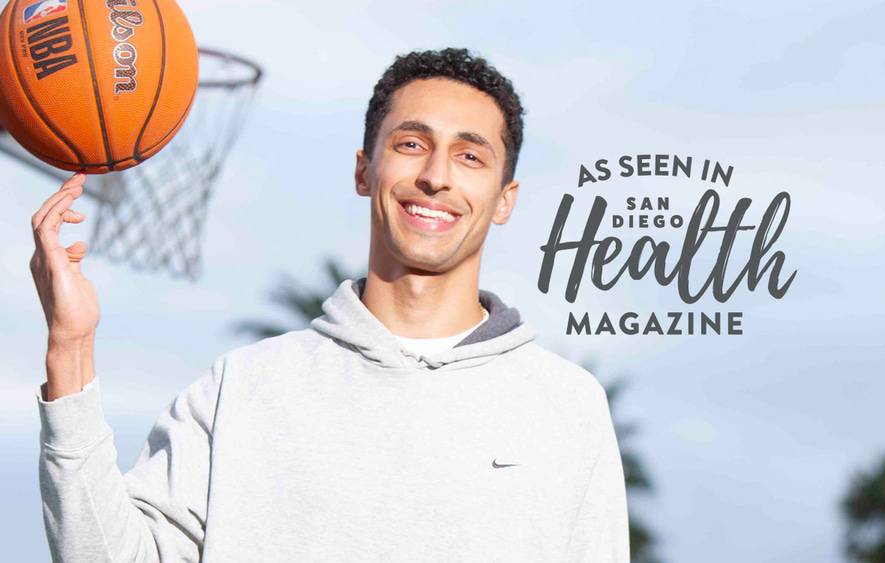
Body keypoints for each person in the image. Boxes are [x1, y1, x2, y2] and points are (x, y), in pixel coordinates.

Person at [30, 47, 630, 562]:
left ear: (505, 199)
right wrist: (70, 346)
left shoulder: (567, 408)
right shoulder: (241, 388)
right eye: (412, 143)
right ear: (365, 170)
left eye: (470, 155)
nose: (436, 176)